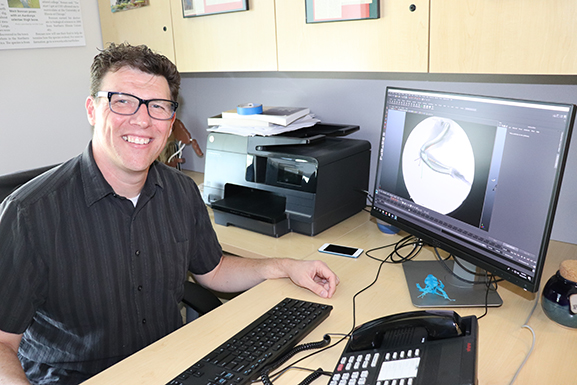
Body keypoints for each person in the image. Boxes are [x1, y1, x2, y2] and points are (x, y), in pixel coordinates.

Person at [0, 43, 339, 385]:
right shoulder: (28, 215)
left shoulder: (180, 190)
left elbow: (214, 271)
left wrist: (283, 265)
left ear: (171, 119)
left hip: (172, 365)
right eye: (123, 101)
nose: (142, 119)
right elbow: (1, 343)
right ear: (92, 109)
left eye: (158, 106)